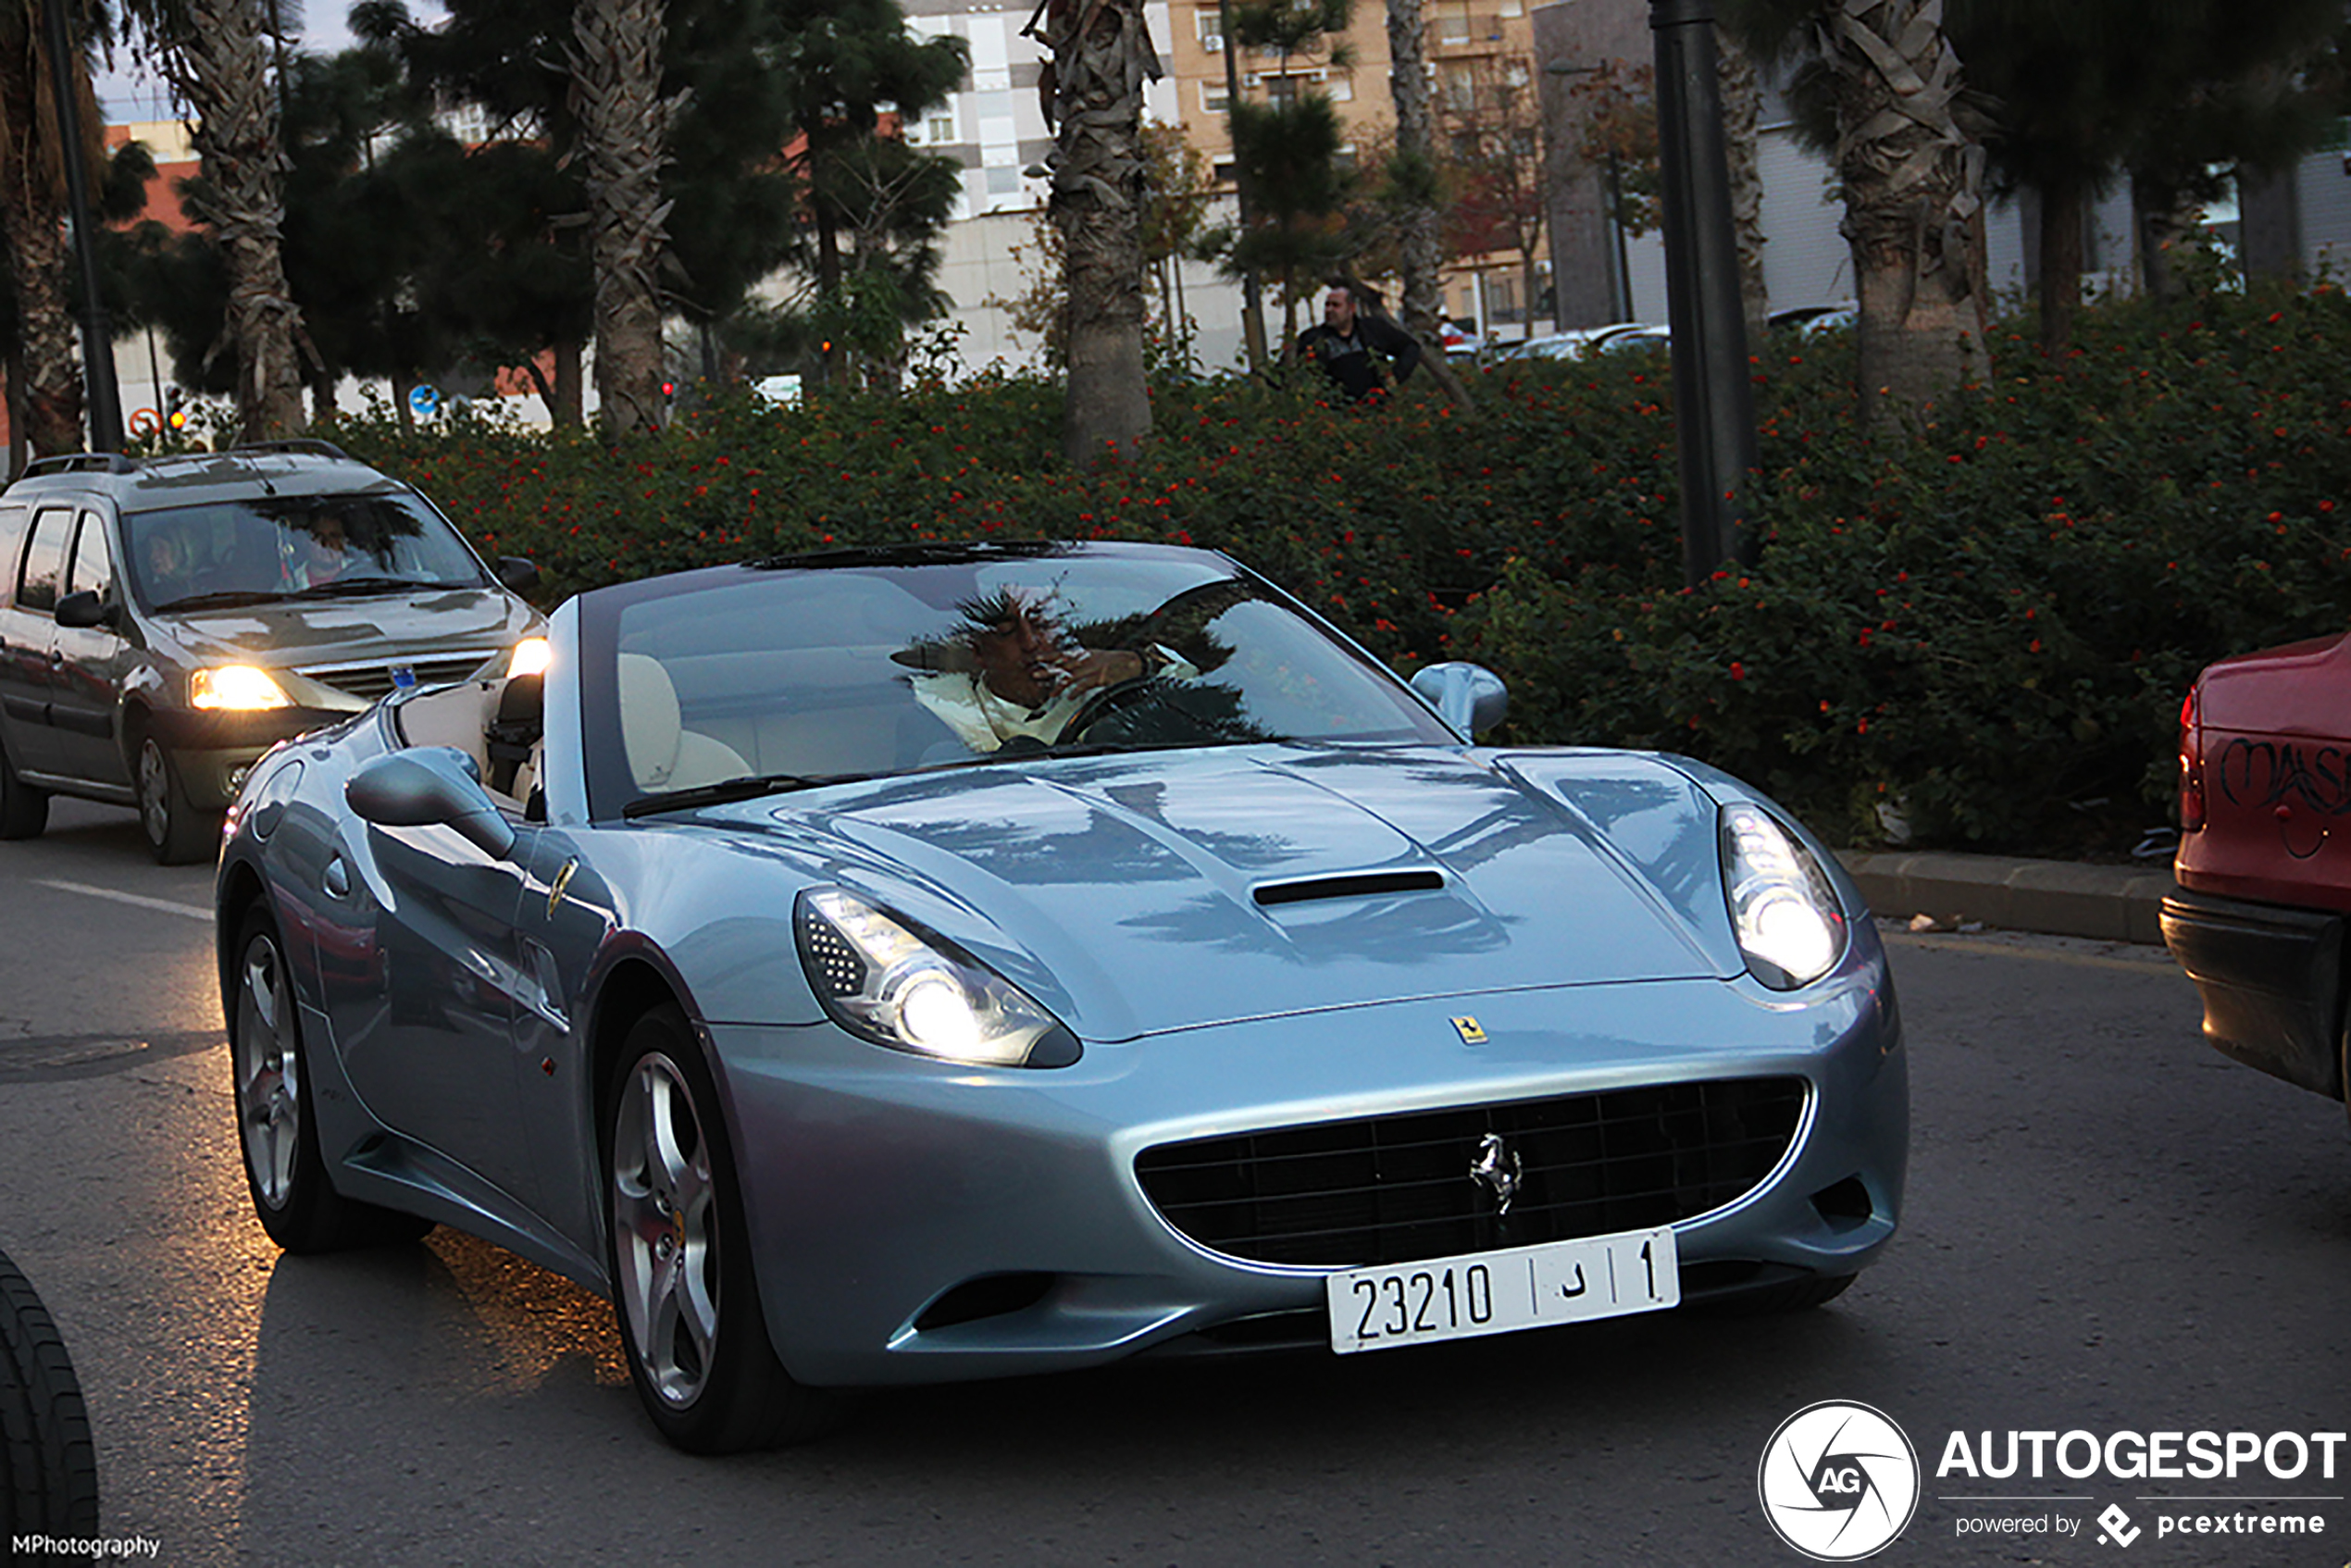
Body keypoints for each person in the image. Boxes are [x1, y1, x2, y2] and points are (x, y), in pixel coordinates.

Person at [899, 588, 1193, 754]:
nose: (1030, 644)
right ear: (979, 653)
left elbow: (1200, 689)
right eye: (1007, 633)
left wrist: (1140, 664)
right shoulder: (934, 708)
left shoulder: (1103, 686)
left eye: (1040, 626)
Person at [1296, 280, 1423, 403]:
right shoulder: (1313, 339)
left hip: (1376, 405)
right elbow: (1289, 369)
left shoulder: (1373, 330)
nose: (1329, 310)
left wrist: (1395, 376)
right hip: (1335, 411)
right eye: (1327, 305)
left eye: (1336, 305)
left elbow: (1410, 347)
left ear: (1351, 308)